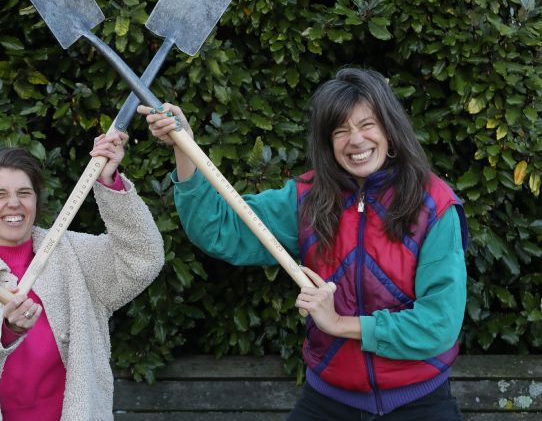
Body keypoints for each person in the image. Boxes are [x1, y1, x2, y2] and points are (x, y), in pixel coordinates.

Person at [138, 68, 467, 420]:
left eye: (367, 125)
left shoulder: (433, 204)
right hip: (329, 400)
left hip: (419, 399)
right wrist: (184, 147)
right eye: (340, 131)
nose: (356, 140)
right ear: (327, 142)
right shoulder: (307, 200)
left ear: (390, 128)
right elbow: (217, 229)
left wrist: (339, 323)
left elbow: (439, 324)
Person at [0, 132, 164, 421]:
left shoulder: (76, 256)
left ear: (35, 200)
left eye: (24, 193)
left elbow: (143, 258)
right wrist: (5, 328)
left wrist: (109, 183)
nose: (14, 203)